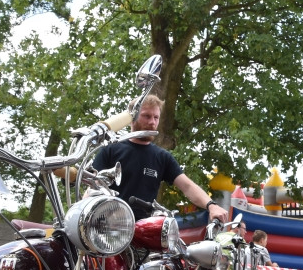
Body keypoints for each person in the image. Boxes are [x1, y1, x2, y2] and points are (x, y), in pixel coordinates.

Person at [92, 95, 228, 223]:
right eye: (146, 116)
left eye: (156, 117)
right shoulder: (110, 149)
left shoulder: (162, 157)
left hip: (144, 228)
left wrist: (211, 205)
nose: (152, 122)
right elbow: (93, 186)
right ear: (132, 118)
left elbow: (187, 186)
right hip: (109, 228)